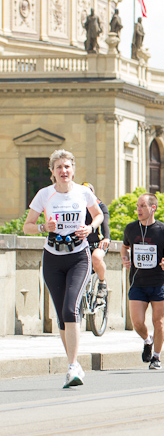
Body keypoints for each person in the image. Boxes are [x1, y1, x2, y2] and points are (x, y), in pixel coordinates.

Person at [24, 150, 103, 387]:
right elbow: (27, 226)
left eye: (67, 167)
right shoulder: (44, 195)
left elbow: (98, 215)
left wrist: (90, 229)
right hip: (53, 258)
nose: (64, 171)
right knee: (61, 315)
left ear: (73, 169)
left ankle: (72, 366)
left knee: (71, 309)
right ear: (52, 172)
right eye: (59, 167)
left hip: (79, 257)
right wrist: (42, 227)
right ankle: (74, 364)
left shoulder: (83, 192)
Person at [121, 193, 164, 369]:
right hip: (137, 282)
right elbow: (125, 246)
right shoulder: (131, 229)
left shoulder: (163, 230)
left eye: (142, 206)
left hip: (158, 282)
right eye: (137, 206)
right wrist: (125, 258)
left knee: (158, 321)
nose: (138, 210)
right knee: (137, 322)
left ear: (153, 208)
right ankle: (147, 340)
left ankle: (156, 357)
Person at [81, 183, 110, 300]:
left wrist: (106, 238)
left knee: (96, 258)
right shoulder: (77, 207)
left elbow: (105, 223)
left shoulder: (100, 206)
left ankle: (102, 284)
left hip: (98, 242)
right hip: (82, 244)